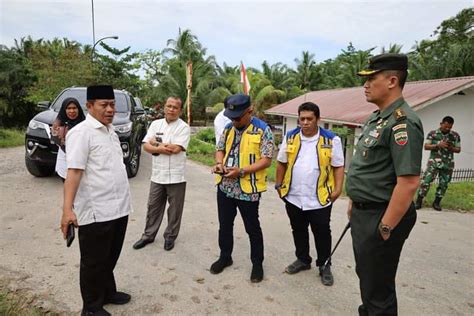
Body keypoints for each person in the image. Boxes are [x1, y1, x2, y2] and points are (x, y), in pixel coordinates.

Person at [346, 54, 424, 315]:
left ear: (392, 81)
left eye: (371, 79)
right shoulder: (376, 118)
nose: (365, 85)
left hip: (381, 214)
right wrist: (353, 201)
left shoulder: (403, 122)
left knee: (378, 290)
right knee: (369, 279)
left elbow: (409, 182)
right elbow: (369, 167)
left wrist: (386, 226)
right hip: (364, 211)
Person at [60, 85, 132, 316]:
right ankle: (90, 308)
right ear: (89, 106)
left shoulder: (110, 130)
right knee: (93, 261)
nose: (110, 109)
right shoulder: (81, 133)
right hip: (97, 210)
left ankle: (107, 292)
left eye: (112, 104)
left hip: (119, 207)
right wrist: (67, 210)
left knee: (110, 255)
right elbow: (73, 172)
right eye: (104, 105)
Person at [275, 102, 344, 286]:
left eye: (309, 119)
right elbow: (281, 162)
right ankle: (303, 259)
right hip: (293, 196)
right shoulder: (290, 137)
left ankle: (324, 265)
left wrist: (337, 190)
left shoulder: (331, 140)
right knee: (298, 229)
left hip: (320, 198)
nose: (305, 122)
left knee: (322, 232)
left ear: (318, 119)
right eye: (302, 119)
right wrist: (278, 185)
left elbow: (338, 166)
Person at [209, 93, 274, 283]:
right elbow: (220, 149)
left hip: (248, 190)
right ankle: (225, 257)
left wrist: (242, 171)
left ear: (250, 111)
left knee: (252, 228)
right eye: (231, 117)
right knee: (225, 226)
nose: (234, 121)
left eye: (238, 117)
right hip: (225, 187)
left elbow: (266, 160)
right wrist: (219, 163)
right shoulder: (228, 128)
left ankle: (257, 264)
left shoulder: (263, 130)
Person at [133, 97, 190, 251]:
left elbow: (175, 149)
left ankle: (170, 237)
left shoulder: (183, 127)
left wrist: (155, 144)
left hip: (176, 176)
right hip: (157, 175)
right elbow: (145, 146)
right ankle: (148, 236)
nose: (171, 109)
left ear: (180, 111)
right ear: (164, 107)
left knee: (174, 210)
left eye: (175, 107)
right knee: (153, 207)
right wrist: (160, 147)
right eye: (169, 106)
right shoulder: (155, 124)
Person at [415, 116, 461, 211]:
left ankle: (436, 202)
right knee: (426, 182)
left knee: (444, 184)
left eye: (450, 127)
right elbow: (426, 146)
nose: (448, 129)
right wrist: (438, 145)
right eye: (446, 127)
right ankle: (419, 201)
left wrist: (451, 148)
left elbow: (458, 149)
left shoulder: (455, 135)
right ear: (441, 124)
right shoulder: (433, 134)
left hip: (447, 164)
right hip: (434, 163)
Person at [51, 97, 85, 180]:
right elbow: (55, 137)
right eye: (68, 108)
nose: (72, 111)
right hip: (64, 158)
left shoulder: (85, 124)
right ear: (64, 110)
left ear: (78, 109)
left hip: (81, 159)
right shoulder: (58, 125)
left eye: (74, 108)